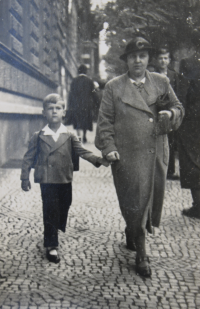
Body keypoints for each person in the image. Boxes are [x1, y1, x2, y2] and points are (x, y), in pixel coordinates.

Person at [95, 37, 184, 277]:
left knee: (147, 201)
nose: (138, 60)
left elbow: (179, 108)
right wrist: (109, 147)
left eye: (143, 55)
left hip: (155, 152)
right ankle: (140, 247)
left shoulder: (161, 82)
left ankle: (136, 239)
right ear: (126, 60)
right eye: (133, 56)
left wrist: (170, 112)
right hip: (127, 156)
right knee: (133, 200)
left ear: (148, 58)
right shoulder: (114, 86)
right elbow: (104, 123)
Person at [21, 93, 109, 263]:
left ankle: (55, 228)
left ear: (64, 113)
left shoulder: (69, 136)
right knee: (50, 210)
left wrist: (99, 160)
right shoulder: (38, 136)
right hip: (47, 180)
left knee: (64, 205)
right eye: (50, 109)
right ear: (44, 113)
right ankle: (52, 244)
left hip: (64, 178)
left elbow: (82, 151)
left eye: (58, 108)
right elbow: (28, 158)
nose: (54, 112)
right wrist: (25, 178)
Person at [179, 29, 200, 219]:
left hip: (193, 119)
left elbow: (183, 93)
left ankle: (198, 205)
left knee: (192, 159)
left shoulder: (188, 63)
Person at [155, 46, 180, 180]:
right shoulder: (152, 75)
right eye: (160, 58)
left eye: (165, 58)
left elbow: (178, 94)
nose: (163, 61)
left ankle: (170, 171)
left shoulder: (174, 75)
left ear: (169, 60)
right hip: (156, 113)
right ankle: (158, 170)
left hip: (170, 113)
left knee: (170, 142)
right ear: (156, 60)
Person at [67, 64, 95, 143]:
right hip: (86, 105)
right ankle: (84, 136)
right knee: (85, 121)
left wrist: (70, 105)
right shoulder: (89, 81)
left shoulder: (74, 81)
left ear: (78, 71)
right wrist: (95, 105)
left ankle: (78, 136)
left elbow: (71, 94)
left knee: (77, 120)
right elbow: (93, 94)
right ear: (86, 71)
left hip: (76, 105)